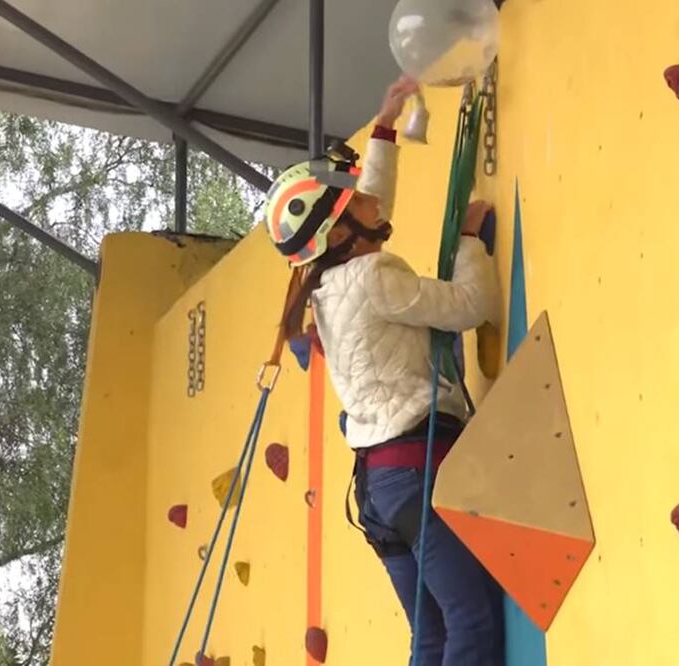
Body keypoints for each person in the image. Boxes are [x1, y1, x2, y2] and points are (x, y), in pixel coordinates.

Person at [264, 76, 504, 666]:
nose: (370, 201)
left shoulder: (325, 282)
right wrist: (470, 240)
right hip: (413, 474)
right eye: (355, 205)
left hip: (378, 490)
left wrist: (387, 124)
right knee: (470, 624)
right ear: (343, 234)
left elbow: (372, 199)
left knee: (431, 638)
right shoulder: (372, 278)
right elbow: (473, 306)